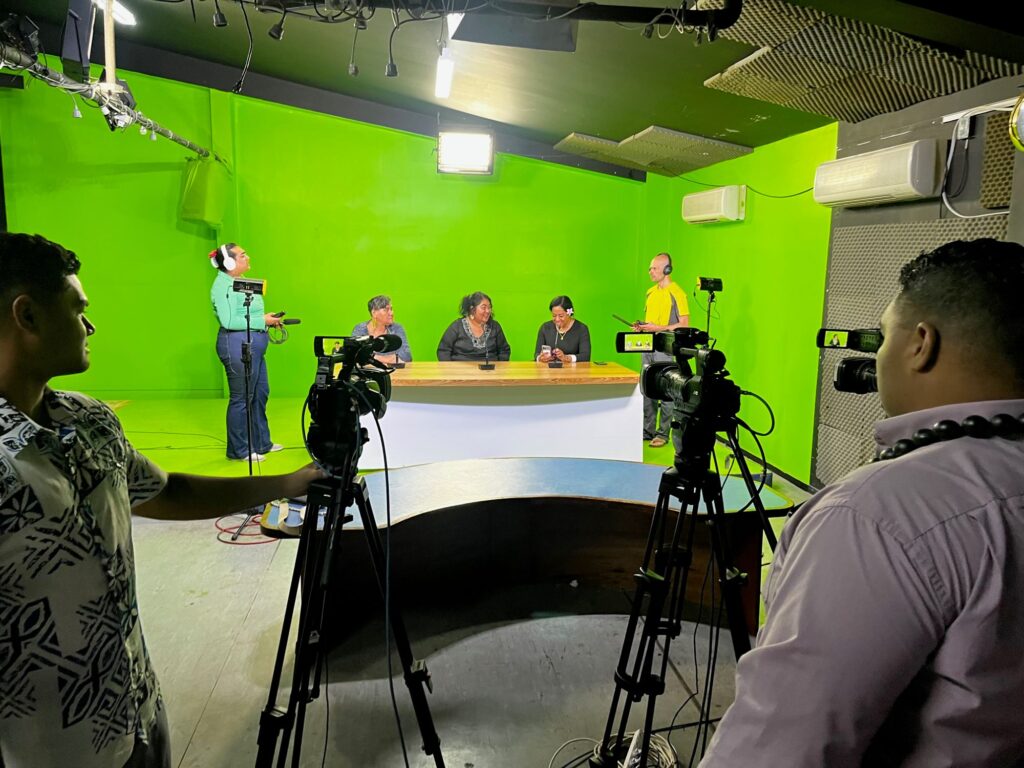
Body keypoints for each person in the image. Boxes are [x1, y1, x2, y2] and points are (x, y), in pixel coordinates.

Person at [0, 233, 321, 768]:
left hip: (139, 716)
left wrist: (286, 484)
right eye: (78, 309)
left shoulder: (91, 419)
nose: (90, 325)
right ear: (27, 316)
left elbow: (164, 490)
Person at [700, 239, 1024, 767]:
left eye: (883, 333)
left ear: (921, 343)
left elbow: (777, 752)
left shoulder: (874, 517)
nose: (875, 354)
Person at [210, 243, 283, 462]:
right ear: (230, 262)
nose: (248, 257)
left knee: (260, 394)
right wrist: (263, 320)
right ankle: (239, 450)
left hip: (254, 345)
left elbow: (247, 312)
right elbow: (229, 320)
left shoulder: (238, 282)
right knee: (241, 399)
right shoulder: (222, 286)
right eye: (243, 255)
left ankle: (262, 443)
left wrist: (267, 319)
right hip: (236, 346)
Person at [634, 252, 688, 448]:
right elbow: (652, 321)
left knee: (665, 392)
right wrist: (643, 326)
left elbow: (684, 324)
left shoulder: (678, 293)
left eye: (654, 268)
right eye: (650, 268)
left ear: (667, 270)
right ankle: (647, 431)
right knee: (647, 388)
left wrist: (658, 328)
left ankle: (662, 434)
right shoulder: (650, 292)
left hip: (666, 348)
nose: (650, 271)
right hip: (648, 345)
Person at [437, 291, 511, 362]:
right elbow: (443, 350)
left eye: (489, 307)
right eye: (483, 307)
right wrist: (451, 370)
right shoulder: (457, 326)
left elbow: (504, 350)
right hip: (461, 372)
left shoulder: (495, 326)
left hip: (489, 372)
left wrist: (499, 369)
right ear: (472, 309)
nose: (488, 311)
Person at [351, 294, 412, 364]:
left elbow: (407, 357)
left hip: (395, 373)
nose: (391, 313)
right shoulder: (360, 329)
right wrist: (390, 358)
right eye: (386, 310)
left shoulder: (397, 328)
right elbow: (354, 356)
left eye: (391, 309)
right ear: (374, 313)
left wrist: (372, 357)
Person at [534, 295, 591, 363]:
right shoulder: (545, 328)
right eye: (554, 316)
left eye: (561, 316)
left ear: (569, 313)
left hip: (573, 372)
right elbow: (536, 354)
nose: (557, 319)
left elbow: (585, 356)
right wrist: (540, 358)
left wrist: (567, 358)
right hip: (549, 372)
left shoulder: (581, 329)